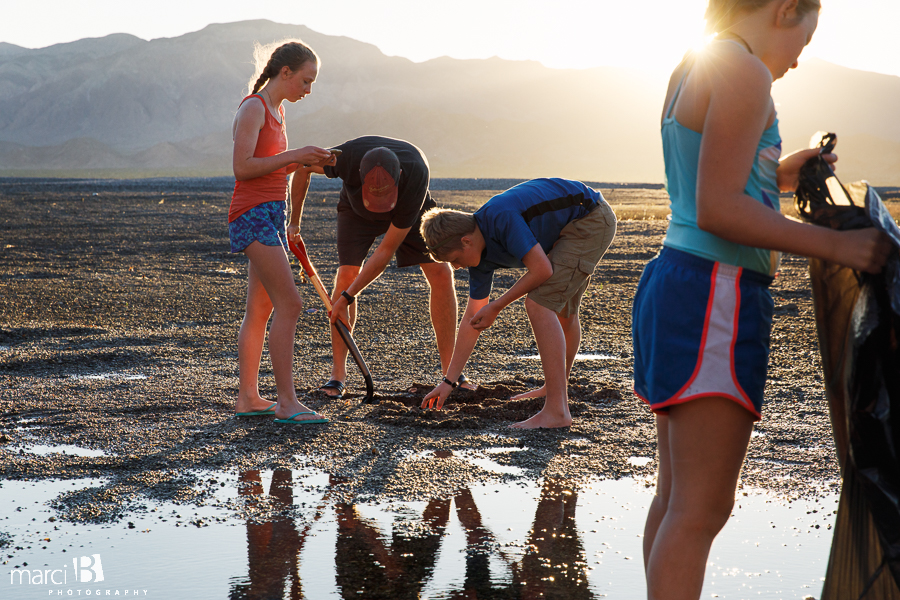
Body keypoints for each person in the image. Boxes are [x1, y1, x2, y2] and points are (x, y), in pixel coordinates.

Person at [631, 1, 893, 598]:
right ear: (784, 10)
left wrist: (782, 168)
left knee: (676, 500)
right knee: (701, 510)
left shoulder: (695, 65)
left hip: (678, 281)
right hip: (714, 294)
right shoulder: (745, 71)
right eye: (808, 34)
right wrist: (835, 246)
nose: (801, 58)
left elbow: (714, 172)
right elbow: (720, 208)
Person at [418, 178, 617, 429]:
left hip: (590, 219)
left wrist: (498, 305)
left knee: (538, 305)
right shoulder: (478, 258)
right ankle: (555, 389)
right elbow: (473, 320)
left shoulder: (500, 217)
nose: (456, 267)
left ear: (467, 240)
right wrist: (448, 382)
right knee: (562, 311)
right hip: (570, 228)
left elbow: (541, 270)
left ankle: (557, 411)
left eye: (455, 259)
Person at [290, 136, 471, 398]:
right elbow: (302, 165)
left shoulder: (416, 173)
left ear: (398, 175)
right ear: (359, 176)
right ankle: (337, 377)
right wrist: (294, 222)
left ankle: (451, 373)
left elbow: (385, 251)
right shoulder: (345, 158)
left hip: (408, 210)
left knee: (441, 272)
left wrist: (347, 298)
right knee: (346, 275)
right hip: (355, 212)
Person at [228, 40, 334, 425]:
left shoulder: (276, 110)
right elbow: (242, 168)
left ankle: (249, 398)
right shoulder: (254, 107)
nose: (308, 90)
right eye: (306, 81)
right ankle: (287, 403)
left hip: (270, 214)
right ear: (285, 72)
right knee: (291, 304)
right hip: (252, 214)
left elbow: (271, 167)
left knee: (260, 309)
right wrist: (294, 155)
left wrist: (306, 162)